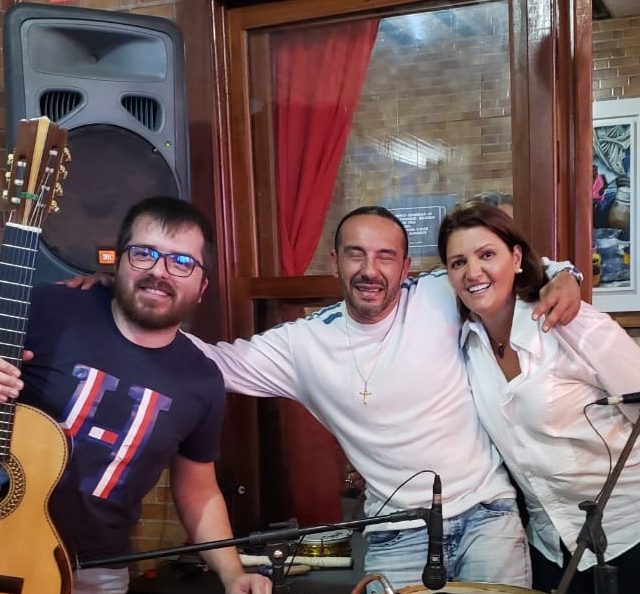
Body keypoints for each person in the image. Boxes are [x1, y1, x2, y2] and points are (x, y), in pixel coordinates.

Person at [0, 205, 581, 592]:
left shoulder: (437, 293)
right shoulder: (302, 343)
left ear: (407, 267)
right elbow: (203, 358)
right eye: (355, 254)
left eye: (385, 256)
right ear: (335, 263)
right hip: (394, 526)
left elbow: (514, 267)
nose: (370, 269)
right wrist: (123, 295)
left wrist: (566, 275)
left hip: (487, 513)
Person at [0, 197, 271, 594]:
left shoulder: (203, 379)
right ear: (119, 261)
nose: (159, 271)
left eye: (182, 262)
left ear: (202, 287)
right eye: (144, 253)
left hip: (96, 572)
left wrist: (232, 572)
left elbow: (198, 489)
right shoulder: (48, 306)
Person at [437, 200, 640, 594]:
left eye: (487, 255)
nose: (473, 272)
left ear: (515, 259)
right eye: (458, 262)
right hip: (549, 546)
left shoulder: (573, 323)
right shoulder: (467, 345)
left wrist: (566, 274)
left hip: (626, 535)